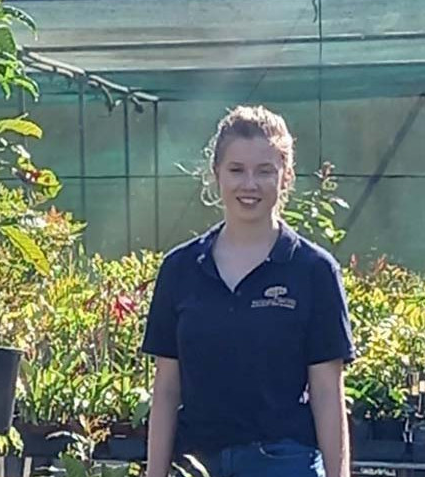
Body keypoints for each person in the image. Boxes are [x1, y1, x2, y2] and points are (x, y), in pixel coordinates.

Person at [142, 106, 355, 477]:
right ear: (216, 175)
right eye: (236, 170)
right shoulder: (180, 269)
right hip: (196, 462)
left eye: (265, 171)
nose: (250, 184)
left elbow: (326, 393)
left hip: (283, 462)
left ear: (285, 178)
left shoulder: (313, 271)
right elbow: (166, 390)